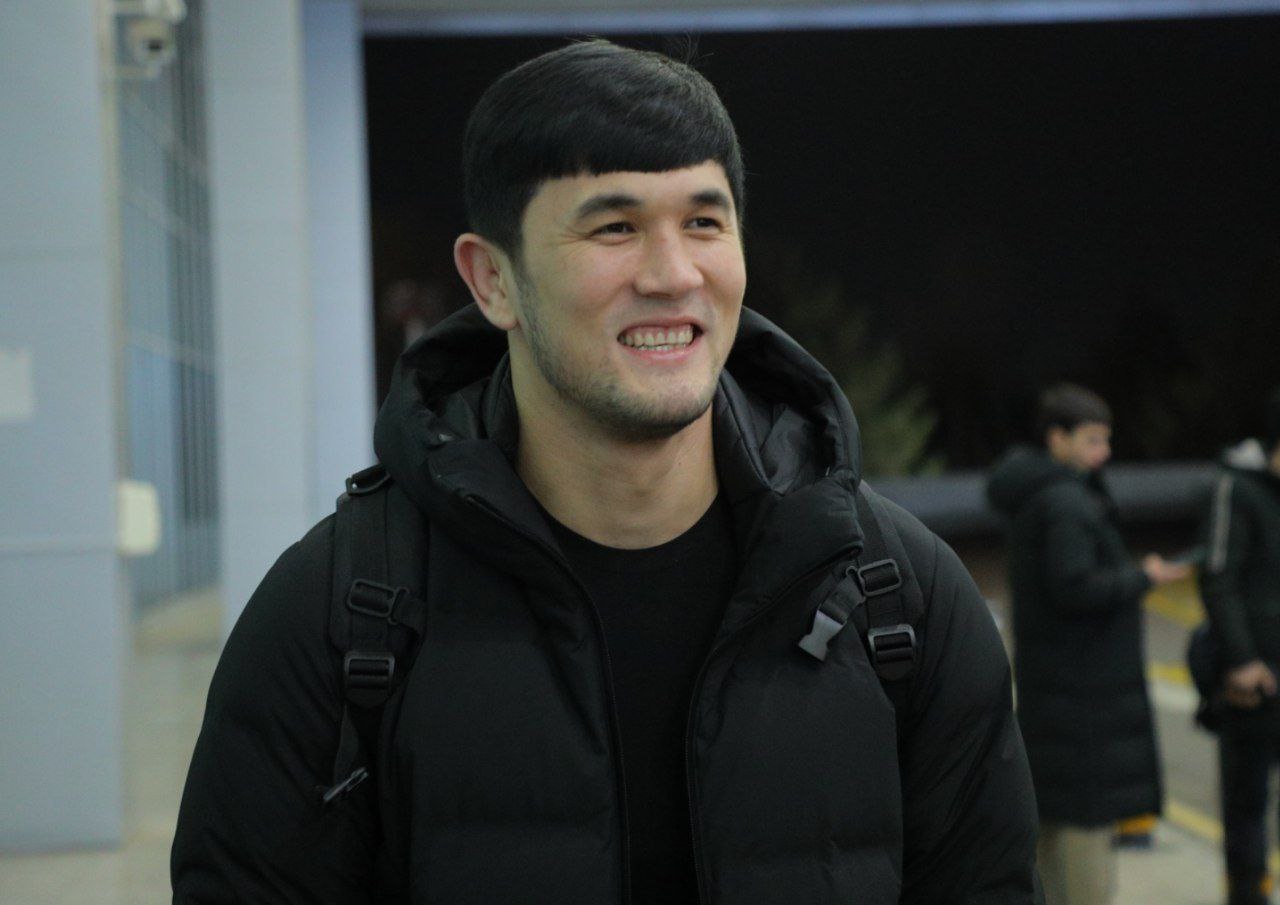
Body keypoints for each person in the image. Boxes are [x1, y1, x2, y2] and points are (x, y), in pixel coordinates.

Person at [172, 39, 1039, 904]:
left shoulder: (900, 600)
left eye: (704, 222)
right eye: (614, 227)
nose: (673, 274)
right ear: (493, 279)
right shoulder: (340, 615)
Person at [987, 383, 1188, 905]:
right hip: (1084, 692)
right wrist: (1141, 577)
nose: (1105, 452)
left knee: (1050, 822)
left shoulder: (1039, 495)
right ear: (1057, 438)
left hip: (1055, 683)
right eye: (1093, 439)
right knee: (1085, 825)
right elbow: (1075, 586)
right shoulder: (1065, 502)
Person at [1199, 388, 1280, 905]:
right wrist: (1244, 659)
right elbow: (1219, 576)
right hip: (1254, 681)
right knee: (1247, 806)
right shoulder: (1237, 488)